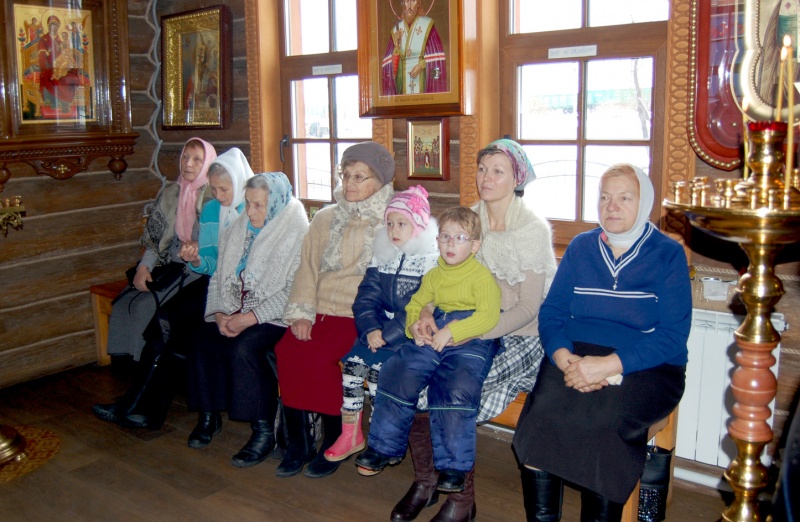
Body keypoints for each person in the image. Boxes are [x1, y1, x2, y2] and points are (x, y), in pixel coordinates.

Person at [512, 163, 691, 521]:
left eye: (625, 198)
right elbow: (552, 314)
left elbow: (673, 337)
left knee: (607, 421)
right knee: (541, 412)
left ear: (644, 202)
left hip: (649, 364)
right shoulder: (581, 247)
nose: (612, 206)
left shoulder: (667, 254)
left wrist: (610, 364)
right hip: (576, 355)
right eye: (605, 197)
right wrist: (564, 358)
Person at [394, 139, 557, 522]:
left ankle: (461, 502)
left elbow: (529, 308)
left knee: (452, 390)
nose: (486, 177)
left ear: (516, 178)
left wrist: (473, 332)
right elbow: (442, 279)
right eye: (482, 168)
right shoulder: (468, 220)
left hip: (518, 336)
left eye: (497, 170)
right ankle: (426, 480)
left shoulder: (531, 231)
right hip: (463, 325)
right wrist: (428, 313)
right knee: (412, 376)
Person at [93, 146, 251, 429]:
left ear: (240, 184)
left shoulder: (251, 209)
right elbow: (211, 262)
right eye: (213, 189)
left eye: (224, 190)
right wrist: (199, 258)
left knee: (177, 331)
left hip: (239, 292)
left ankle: (142, 408)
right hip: (211, 283)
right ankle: (138, 406)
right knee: (162, 322)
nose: (218, 196)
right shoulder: (214, 208)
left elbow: (248, 266)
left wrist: (202, 262)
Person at [355, 206, 502, 495]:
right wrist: (416, 327)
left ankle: (453, 466)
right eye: (445, 236)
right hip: (436, 329)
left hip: (471, 336)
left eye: (459, 238)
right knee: (398, 369)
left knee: (456, 383)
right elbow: (415, 304)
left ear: (474, 246)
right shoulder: (434, 274)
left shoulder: (481, 277)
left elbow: (489, 316)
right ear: (437, 241)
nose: (450, 243)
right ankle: (384, 447)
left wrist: (454, 331)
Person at [274, 141, 396, 479]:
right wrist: (302, 312)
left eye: (360, 176)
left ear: (381, 181)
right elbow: (308, 267)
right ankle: (299, 443)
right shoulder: (326, 218)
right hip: (318, 309)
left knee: (322, 357)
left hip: (358, 315)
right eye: (346, 175)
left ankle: (337, 436)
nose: (351, 183)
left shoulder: (393, 221)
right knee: (289, 349)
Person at [186, 173, 308, 468]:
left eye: (259, 206)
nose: (250, 212)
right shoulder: (237, 228)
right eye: (249, 203)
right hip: (234, 308)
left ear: (276, 204)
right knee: (202, 339)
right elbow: (218, 278)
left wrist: (249, 318)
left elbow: (294, 292)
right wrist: (218, 313)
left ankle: (263, 430)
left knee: (246, 348)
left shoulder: (297, 232)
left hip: (276, 316)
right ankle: (208, 415)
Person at [323, 186, 440, 463]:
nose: (394, 230)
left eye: (402, 224)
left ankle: (380, 436)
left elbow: (418, 306)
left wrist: (386, 335)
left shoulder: (430, 260)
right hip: (376, 331)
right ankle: (350, 432)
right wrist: (370, 328)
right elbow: (366, 297)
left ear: (418, 225)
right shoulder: (382, 254)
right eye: (389, 223)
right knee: (351, 368)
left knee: (378, 376)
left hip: (406, 335)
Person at [106, 138, 216, 363]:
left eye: (197, 159)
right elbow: (158, 238)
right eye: (185, 157)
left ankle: (144, 367)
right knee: (124, 303)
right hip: (171, 262)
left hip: (198, 269)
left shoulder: (215, 197)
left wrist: (199, 246)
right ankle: (125, 367)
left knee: (144, 306)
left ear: (208, 164)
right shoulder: (172, 193)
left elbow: (220, 241)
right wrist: (144, 267)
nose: (188, 164)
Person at [381, 0, 447, 95]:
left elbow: (438, 59)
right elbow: (388, 69)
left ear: (418, 4)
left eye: (413, 1)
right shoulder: (396, 30)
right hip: (402, 93)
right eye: (407, 1)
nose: (410, 6)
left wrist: (422, 66)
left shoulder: (427, 26)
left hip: (423, 85)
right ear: (403, 4)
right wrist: (396, 49)